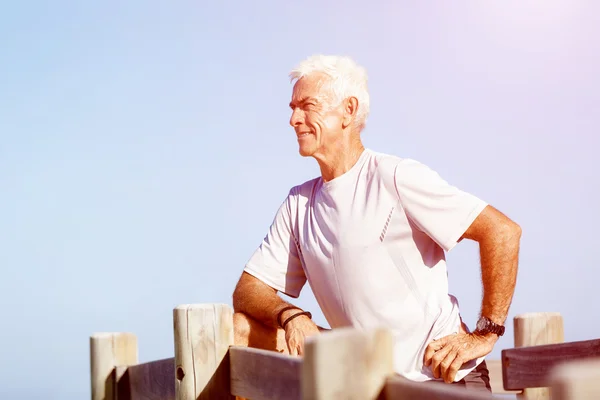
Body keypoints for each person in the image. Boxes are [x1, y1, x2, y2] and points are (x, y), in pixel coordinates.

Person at [231, 54, 521, 392]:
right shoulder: (299, 204)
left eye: (307, 106)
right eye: (293, 108)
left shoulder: (395, 177)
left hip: (440, 379)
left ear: (348, 110)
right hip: (370, 385)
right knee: (239, 328)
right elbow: (247, 290)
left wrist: (486, 333)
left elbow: (501, 231)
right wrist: (292, 316)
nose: (295, 119)